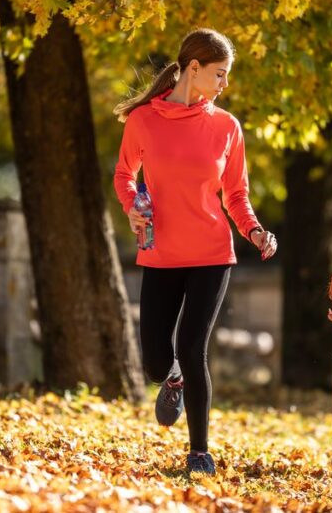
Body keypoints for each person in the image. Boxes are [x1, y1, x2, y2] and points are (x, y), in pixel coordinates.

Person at [112, 28, 277, 475]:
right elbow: (125, 175)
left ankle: (199, 452)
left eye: (227, 76)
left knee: (191, 344)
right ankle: (171, 381)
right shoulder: (144, 120)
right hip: (161, 253)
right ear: (193, 68)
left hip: (211, 253)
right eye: (219, 74)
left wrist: (255, 230)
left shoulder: (226, 127)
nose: (224, 84)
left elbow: (236, 194)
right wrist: (133, 208)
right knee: (152, 361)